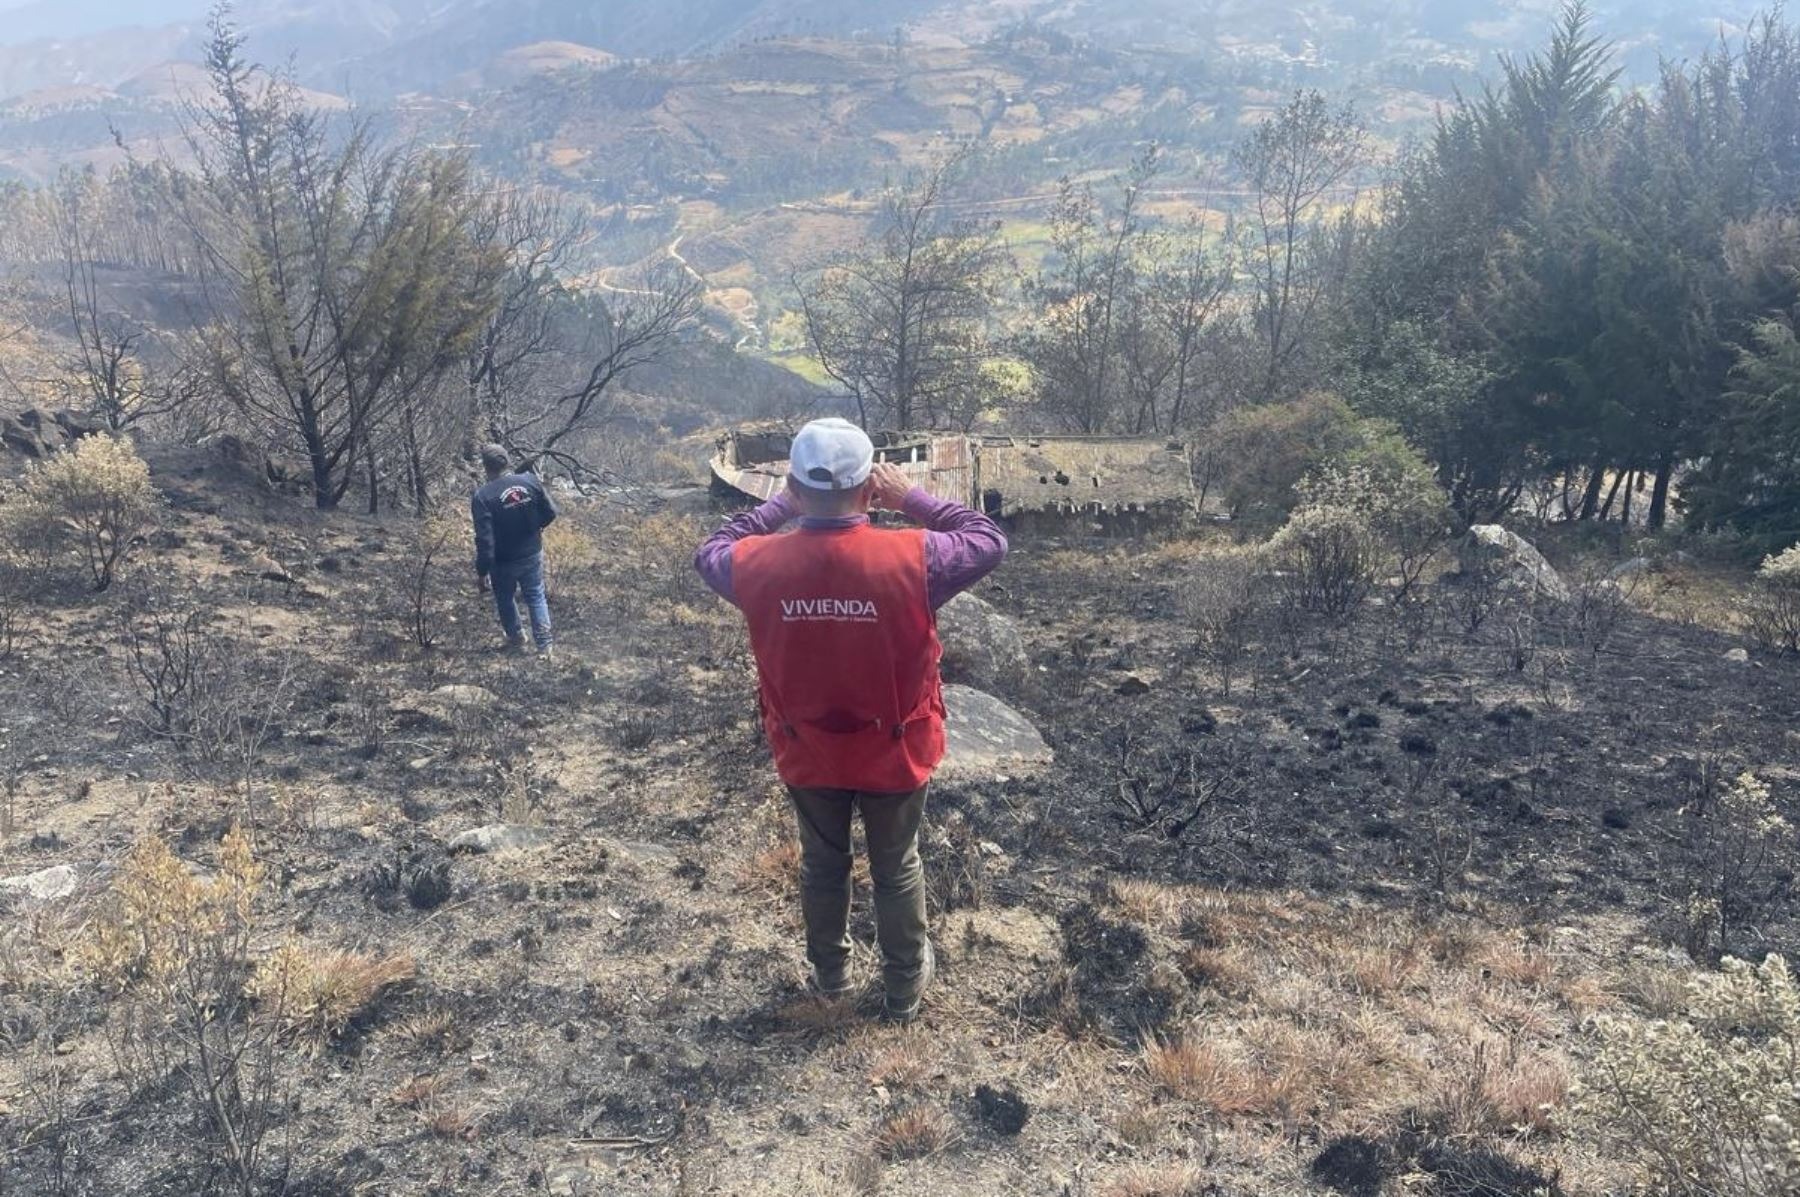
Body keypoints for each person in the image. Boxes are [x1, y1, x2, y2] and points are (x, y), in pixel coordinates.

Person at [694, 418, 1008, 1021]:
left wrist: (775, 507)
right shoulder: (916, 557)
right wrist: (910, 498)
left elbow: (709, 551)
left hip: (807, 747)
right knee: (897, 867)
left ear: (793, 483)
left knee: (821, 863)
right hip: (896, 748)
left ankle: (831, 978)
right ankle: (902, 990)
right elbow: (987, 539)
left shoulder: (755, 564)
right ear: (870, 488)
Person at [471, 444, 558, 658]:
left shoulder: (482, 496)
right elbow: (551, 513)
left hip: (502, 560)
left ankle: (516, 638)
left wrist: (482, 571)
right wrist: (532, 528)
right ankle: (545, 648)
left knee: (504, 597)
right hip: (531, 552)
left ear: (485, 466)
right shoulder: (530, 481)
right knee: (536, 596)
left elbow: (485, 541)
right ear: (507, 461)